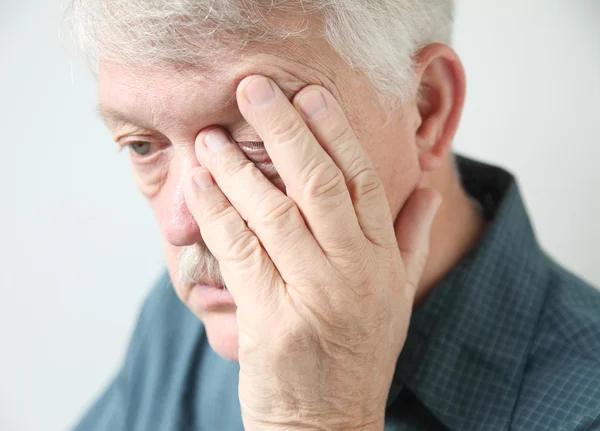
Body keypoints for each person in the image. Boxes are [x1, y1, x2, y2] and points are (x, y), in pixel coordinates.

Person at [69, 1, 600, 430]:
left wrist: (312, 422)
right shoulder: (180, 325)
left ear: (426, 108)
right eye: (142, 146)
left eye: (256, 144)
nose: (182, 227)